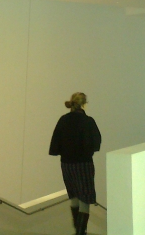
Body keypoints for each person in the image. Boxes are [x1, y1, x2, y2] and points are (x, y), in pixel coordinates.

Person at [49, 92, 102, 235]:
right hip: (83, 164)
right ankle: (80, 231)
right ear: (84, 104)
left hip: (66, 164)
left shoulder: (63, 120)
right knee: (84, 198)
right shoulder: (88, 121)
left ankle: (78, 230)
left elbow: (55, 143)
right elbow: (96, 143)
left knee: (73, 197)